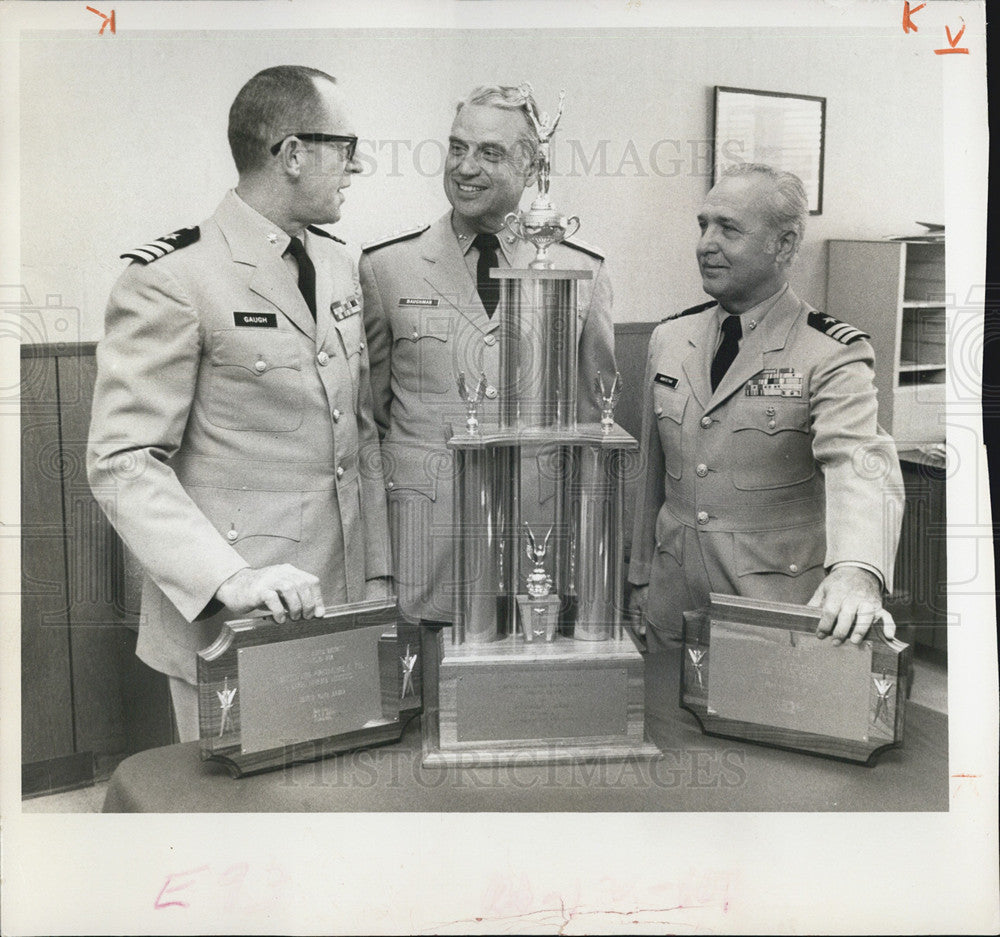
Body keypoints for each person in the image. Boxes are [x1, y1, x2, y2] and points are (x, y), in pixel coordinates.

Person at [87, 66, 391, 741]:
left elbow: (357, 432)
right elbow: (123, 460)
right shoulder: (172, 278)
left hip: (335, 604)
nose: (357, 164)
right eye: (346, 147)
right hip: (233, 618)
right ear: (292, 154)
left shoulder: (338, 265)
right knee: (237, 823)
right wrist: (231, 577)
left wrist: (378, 574)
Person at [360, 84, 616, 625]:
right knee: (422, 705)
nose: (465, 167)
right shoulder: (386, 268)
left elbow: (596, 423)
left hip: (539, 545)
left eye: (489, 153)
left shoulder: (580, 273)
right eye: (457, 148)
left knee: (525, 704)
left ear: (532, 166)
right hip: (426, 547)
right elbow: (372, 422)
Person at [628, 164, 903, 651]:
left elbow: (859, 462)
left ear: (785, 244)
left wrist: (858, 570)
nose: (705, 243)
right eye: (703, 224)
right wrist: (641, 575)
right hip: (673, 608)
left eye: (728, 228)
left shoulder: (830, 351)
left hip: (774, 615)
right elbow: (653, 472)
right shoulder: (670, 338)